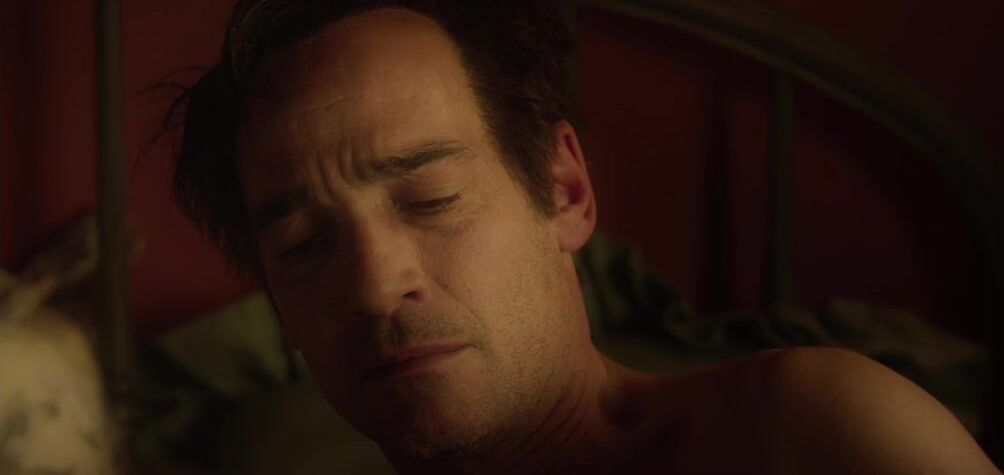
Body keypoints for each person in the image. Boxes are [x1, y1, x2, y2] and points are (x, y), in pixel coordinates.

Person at [167, 1, 1000, 473]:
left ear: (564, 191)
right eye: (303, 245)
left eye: (431, 198)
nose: (376, 283)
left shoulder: (807, 430)